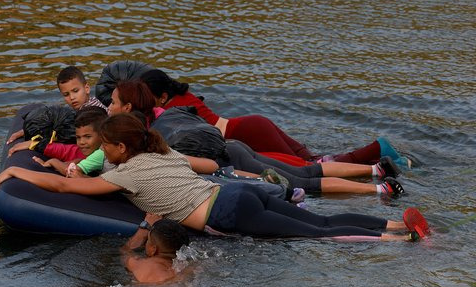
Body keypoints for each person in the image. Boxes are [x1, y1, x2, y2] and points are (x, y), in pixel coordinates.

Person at [0, 112, 429, 241]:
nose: (102, 151)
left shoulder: (126, 175)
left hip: (228, 209)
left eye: (106, 145)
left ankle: (402, 239)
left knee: (320, 234)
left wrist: (16, 169)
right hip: (237, 191)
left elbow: (68, 185)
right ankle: (396, 224)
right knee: (323, 222)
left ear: (121, 149)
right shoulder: (162, 153)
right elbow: (209, 165)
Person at [108, 80, 405, 197]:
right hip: (239, 139)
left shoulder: (141, 132)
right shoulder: (172, 109)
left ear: (129, 108)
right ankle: (376, 170)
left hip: (236, 145)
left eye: (112, 102)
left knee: (306, 175)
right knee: (308, 166)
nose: (108, 107)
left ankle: (378, 181)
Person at [138, 67, 411, 167]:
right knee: (314, 159)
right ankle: (386, 161)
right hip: (252, 124)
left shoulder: (171, 111)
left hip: (246, 133)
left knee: (309, 168)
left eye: (147, 97)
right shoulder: (184, 97)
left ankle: (377, 148)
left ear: (161, 97)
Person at [7, 65, 107, 151]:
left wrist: (34, 142)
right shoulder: (81, 109)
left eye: (75, 91)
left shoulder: (92, 112)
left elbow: (65, 133)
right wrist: (28, 130)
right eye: (66, 94)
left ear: (87, 88)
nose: (72, 97)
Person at [31, 106, 110, 177]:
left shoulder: (100, 153)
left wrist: (53, 162)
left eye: (88, 137)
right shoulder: (101, 149)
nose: (82, 142)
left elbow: (71, 172)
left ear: (102, 135)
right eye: (78, 137)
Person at [120, 215, 190, 283]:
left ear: (153, 249)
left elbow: (125, 251)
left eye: (148, 240)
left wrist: (144, 229)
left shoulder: (140, 264)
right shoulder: (183, 270)